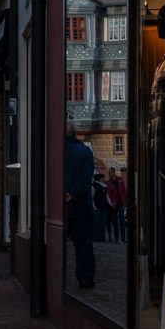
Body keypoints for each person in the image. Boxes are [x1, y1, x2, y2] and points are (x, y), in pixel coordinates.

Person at [62, 121, 96, 289]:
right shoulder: (85, 152)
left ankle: (55, 276)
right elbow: (86, 178)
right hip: (80, 205)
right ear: (75, 131)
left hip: (60, 205)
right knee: (83, 244)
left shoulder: (56, 151)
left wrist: (65, 193)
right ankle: (85, 277)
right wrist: (73, 193)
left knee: (57, 243)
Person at [107, 169, 128, 243]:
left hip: (121, 203)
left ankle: (123, 238)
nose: (109, 174)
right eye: (109, 172)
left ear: (114, 172)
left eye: (110, 172)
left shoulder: (120, 180)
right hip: (114, 204)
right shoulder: (108, 182)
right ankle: (116, 238)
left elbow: (124, 190)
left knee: (122, 221)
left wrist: (125, 201)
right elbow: (109, 193)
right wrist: (112, 202)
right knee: (115, 222)